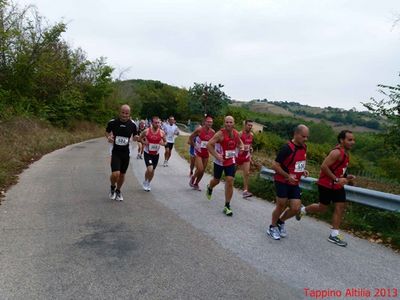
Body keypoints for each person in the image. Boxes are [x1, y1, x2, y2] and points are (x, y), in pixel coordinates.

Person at [298, 130, 356, 247]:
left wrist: (346, 177)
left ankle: (334, 235)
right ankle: (303, 210)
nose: (352, 142)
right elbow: (324, 167)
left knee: (340, 206)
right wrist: (336, 179)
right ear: (341, 140)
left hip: (337, 185)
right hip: (326, 184)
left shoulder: (345, 153)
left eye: (353, 140)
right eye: (349, 140)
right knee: (322, 207)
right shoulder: (336, 152)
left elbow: (339, 169)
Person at [267, 125, 309, 240]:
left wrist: (302, 170)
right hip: (282, 180)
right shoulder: (287, 148)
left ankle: (281, 222)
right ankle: (272, 227)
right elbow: (275, 165)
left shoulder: (304, 147)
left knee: (295, 208)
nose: (305, 139)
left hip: (294, 183)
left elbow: (297, 162)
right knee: (281, 205)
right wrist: (287, 175)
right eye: (303, 136)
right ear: (296, 134)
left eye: (307, 137)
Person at [206, 116, 244, 216]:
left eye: (230, 122)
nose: (228, 124)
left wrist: (242, 147)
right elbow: (209, 145)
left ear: (233, 123)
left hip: (230, 160)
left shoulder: (236, 133)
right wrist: (216, 155)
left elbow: (240, 143)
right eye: (227, 122)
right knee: (216, 180)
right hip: (220, 161)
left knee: (230, 180)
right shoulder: (220, 134)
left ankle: (227, 206)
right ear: (224, 123)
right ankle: (210, 187)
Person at [106, 105, 138, 201]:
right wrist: (108, 137)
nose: (124, 115)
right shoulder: (112, 122)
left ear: (129, 114)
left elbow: (136, 135)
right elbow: (107, 132)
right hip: (115, 151)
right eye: (123, 112)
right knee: (115, 173)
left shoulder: (133, 125)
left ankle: (118, 191)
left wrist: (136, 137)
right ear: (120, 112)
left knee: (122, 174)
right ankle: (112, 187)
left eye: (127, 113)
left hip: (126, 153)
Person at [140, 116, 167, 191]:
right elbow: (140, 138)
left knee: (152, 171)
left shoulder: (162, 132)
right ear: (152, 123)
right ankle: (145, 181)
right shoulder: (147, 131)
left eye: (158, 123)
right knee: (150, 168)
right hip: (147, 153)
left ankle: (148, 182)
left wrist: (163, 143)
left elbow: (165, 142)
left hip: (156, 154)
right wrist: (144, 142)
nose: (157, 124)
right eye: (156, 122)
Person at [189, 115, 215, 190]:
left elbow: (213, 142)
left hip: (206, 153)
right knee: (200, 169)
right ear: (205, 122)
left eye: (211, 122)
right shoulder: (199, 130)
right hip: (198, 152)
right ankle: (193, 178)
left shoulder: (213, 132)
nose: (209, 123)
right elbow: (191, 137)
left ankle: (196, 184)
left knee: (202, 170)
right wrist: (194, 145)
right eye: (208, 122)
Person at [236, 120, 254, 198]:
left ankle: (245, 191)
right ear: (245, 125)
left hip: (246, 156)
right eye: (248, 125)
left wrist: (250, 149)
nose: (250, 127)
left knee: (247, 173)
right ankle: (228, 183)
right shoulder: (239, 134)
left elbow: (250, 145)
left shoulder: (252, 135)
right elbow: (235, 144)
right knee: (232, 172)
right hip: (238, 156)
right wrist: (241, 147)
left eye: (251, 125)